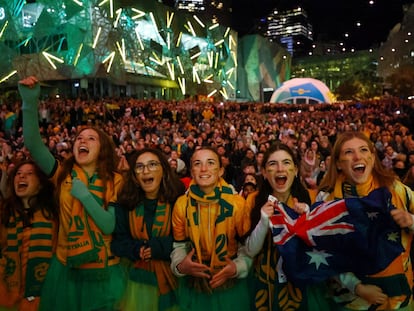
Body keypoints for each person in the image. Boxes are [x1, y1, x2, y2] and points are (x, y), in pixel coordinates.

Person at [18, 76, 125, 311]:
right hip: (65, 267)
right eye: (79, 138)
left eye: (90, 138)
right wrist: (29, 101)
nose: (82, 141)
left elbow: (109, 226)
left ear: (103, 148)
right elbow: (34, 144)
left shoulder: (115, 181)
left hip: (102, 271)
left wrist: (84, 195)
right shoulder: (62, 175)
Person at [317, 131, 414, 310]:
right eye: (348, 152)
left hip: (401, 299)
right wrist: (357, 287)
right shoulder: (327, 202)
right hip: (353, 303)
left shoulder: (396, 189)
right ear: (338, 163)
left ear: (372, 156)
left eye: (363, 150)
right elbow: (325, 253)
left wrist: (411, 220)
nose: (357, 156)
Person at [243, 142, 332, 310]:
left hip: (301, 282)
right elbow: (250, 251)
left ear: (296, 170)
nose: (280, 169)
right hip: (265, 282)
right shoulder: (253, 200)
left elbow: (323, 246)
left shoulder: (313, 198)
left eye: (286, 162)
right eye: (272, 164)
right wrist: (263, 221)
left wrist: (308, 216)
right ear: (263, 172)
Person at [170, 146, 252, 311]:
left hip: (229, 283)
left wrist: (238, 267)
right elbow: (179, 245)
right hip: (194, 284)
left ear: (221, 170)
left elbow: (248, 248)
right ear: (191, 171)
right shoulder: (181, 204)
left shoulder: (237, 204)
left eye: (210, 163)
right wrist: (180, 266)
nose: (204, 169)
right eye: (197, 164)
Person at [110, 148, 186, 311]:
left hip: (173, 279)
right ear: (135, 177)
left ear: (164, 171)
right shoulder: (125, 203)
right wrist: (137, 250)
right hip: (135, 282)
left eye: (152, 165)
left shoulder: (179, 201)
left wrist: (157, 248)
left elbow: (186, 240)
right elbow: (117, 243)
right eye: (139, 167)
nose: (145, 171)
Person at [0, 160, 58, 311]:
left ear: (40, 184)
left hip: (44, 295)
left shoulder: (52, 214)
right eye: (18, 174)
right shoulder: (5, 212)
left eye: (29, 174)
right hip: (8, 294)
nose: (21, 177)